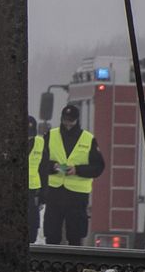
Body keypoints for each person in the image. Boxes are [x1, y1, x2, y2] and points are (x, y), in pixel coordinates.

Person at [40, 103, 106, 246]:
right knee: (52, 234)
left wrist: (77, 170)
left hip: (77, 196)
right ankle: (51, 265)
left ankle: (74, 266)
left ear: (77, 120)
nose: (68, 124)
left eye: (71, 120)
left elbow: (98, 167)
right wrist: (53, 166)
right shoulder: (50, 136)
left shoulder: (88, 139)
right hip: (55, 192)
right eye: (65, 120)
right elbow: (40, 162)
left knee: (75, 235)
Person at [26, 115, 44, 243]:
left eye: (31, 134)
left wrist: (43, 194)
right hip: (13, 190)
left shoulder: (40, 142)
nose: (29, 137)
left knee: (32, 224)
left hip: (33, 191)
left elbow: (44, 169)